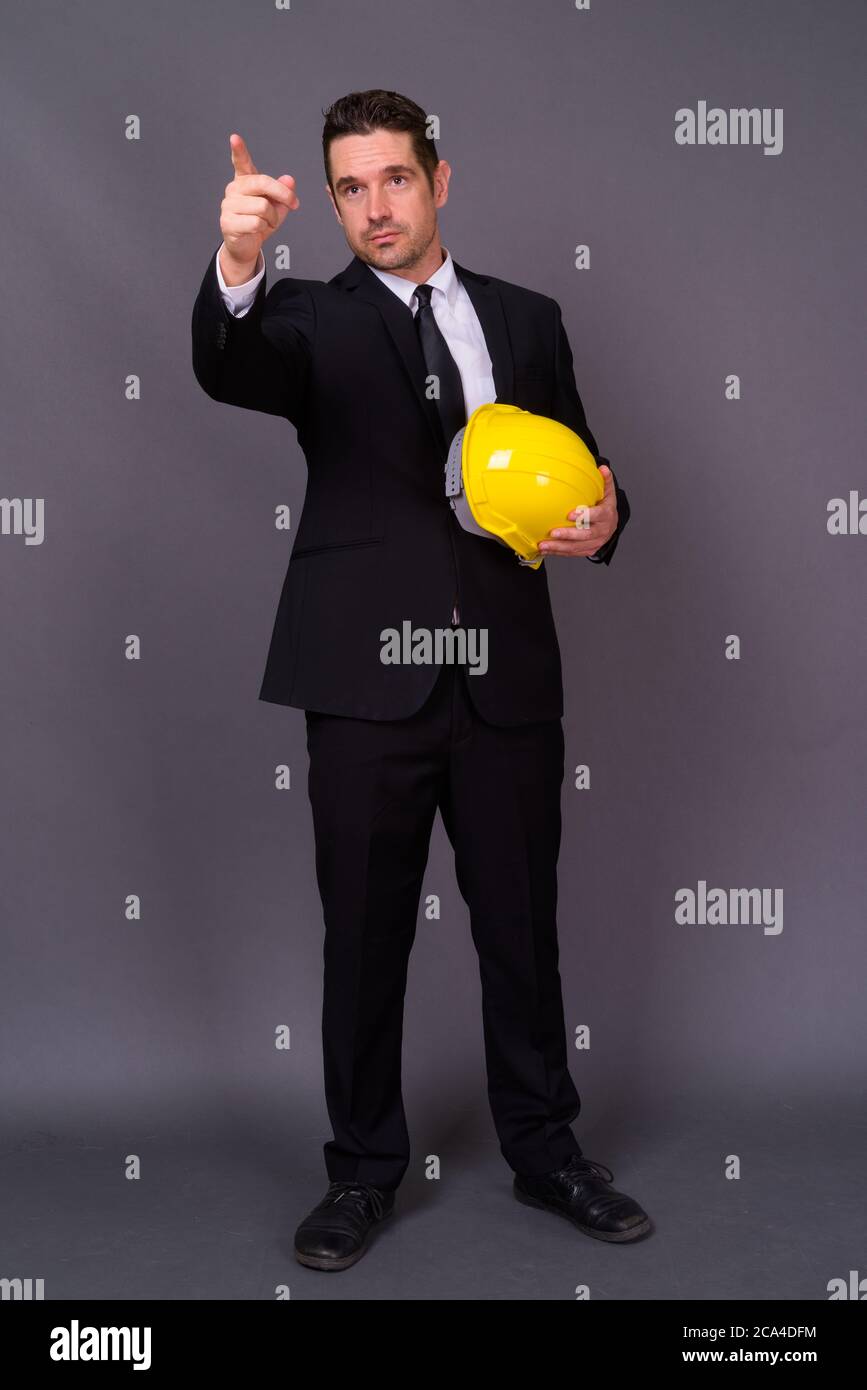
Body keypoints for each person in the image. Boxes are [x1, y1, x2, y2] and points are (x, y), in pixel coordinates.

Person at [192, 89, 651, 1272]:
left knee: (521, 928)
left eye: (394, 178)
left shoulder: (529, 318)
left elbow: (590, 476)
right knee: (364, 937)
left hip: (504, 682)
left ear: (439, 181)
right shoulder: (301, 320)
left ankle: (548, 1153)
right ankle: (361, 1175)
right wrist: (240, 255)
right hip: (363, 686)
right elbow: (225, 360)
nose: (373, 206)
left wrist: (605, 520)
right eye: (349, 187)